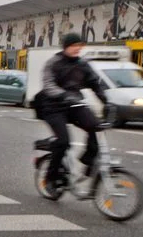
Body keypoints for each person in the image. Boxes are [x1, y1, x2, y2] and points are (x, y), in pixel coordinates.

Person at [38, 33, 108, 191]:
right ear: (66, 47)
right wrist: (63, 95)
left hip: (74, 104)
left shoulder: (82, 64)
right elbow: (48, 85)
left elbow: (95, 83)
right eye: (74, 45)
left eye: (80, 45)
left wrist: (106, 101)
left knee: (96, 126)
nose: (78, 48)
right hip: (53, 107)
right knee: (63, 142)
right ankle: (51, 178)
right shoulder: (54, 63)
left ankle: (88, 160)